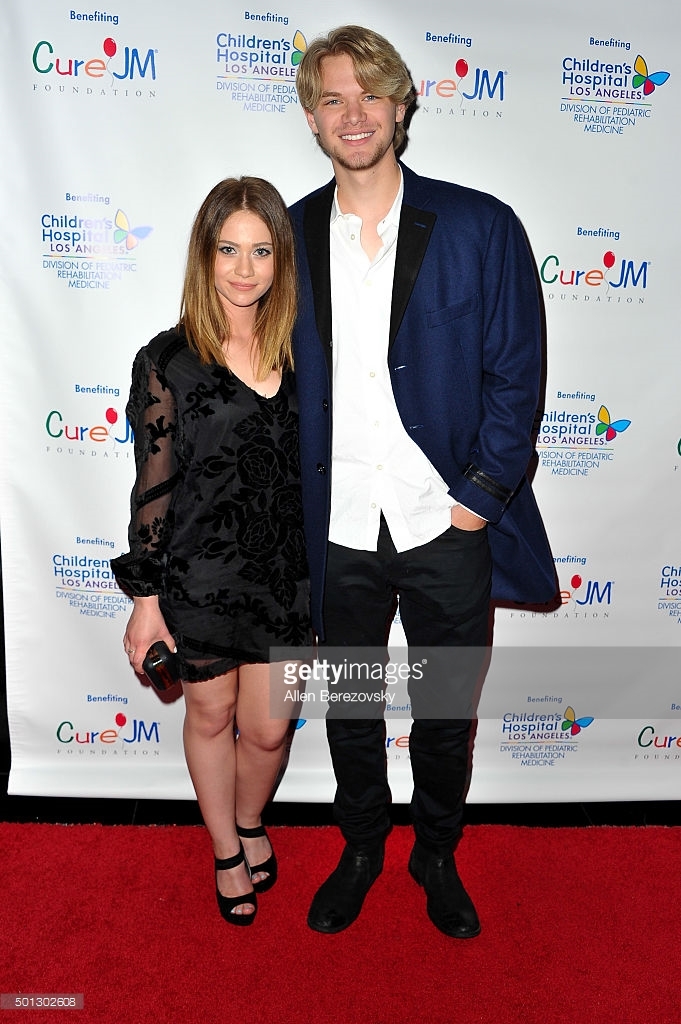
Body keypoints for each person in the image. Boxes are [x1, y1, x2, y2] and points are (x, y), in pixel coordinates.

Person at [290, 26, 557, 937]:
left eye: (370, 94)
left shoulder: (480, 225)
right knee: (350, 707)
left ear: (401, 106)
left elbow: (515, 373)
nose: (353, 114)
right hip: (335, 529)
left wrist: (477, 501)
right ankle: (362, 845)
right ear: (312, 119)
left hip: (444, 524)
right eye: (332, 98)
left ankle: (435, 852)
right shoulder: (287, 233)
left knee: (445, 713)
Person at [111, 177, 310, 926]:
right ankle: (227, 847)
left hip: (287, 577)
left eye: (261, 251)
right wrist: (145, 600)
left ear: (280, 260)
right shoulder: (168, 360)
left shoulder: (305, 352)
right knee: (210, 714)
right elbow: (153, 486)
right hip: (199, 574)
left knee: (269, 727)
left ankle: (250, 818)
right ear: (204, 255)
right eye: (228, 249)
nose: (243, 268)